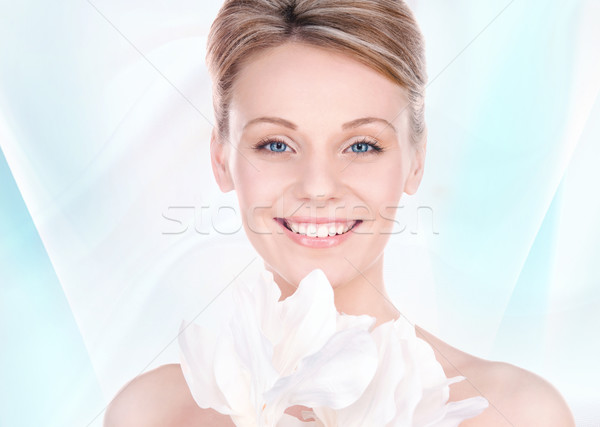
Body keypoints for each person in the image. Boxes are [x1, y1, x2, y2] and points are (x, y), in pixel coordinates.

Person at [104, 1, 575, 425]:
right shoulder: (153, 413)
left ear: (416, 161)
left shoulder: (513, 413)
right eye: (275, 144)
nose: (318, 187)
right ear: (221, 159)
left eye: (361, 145)